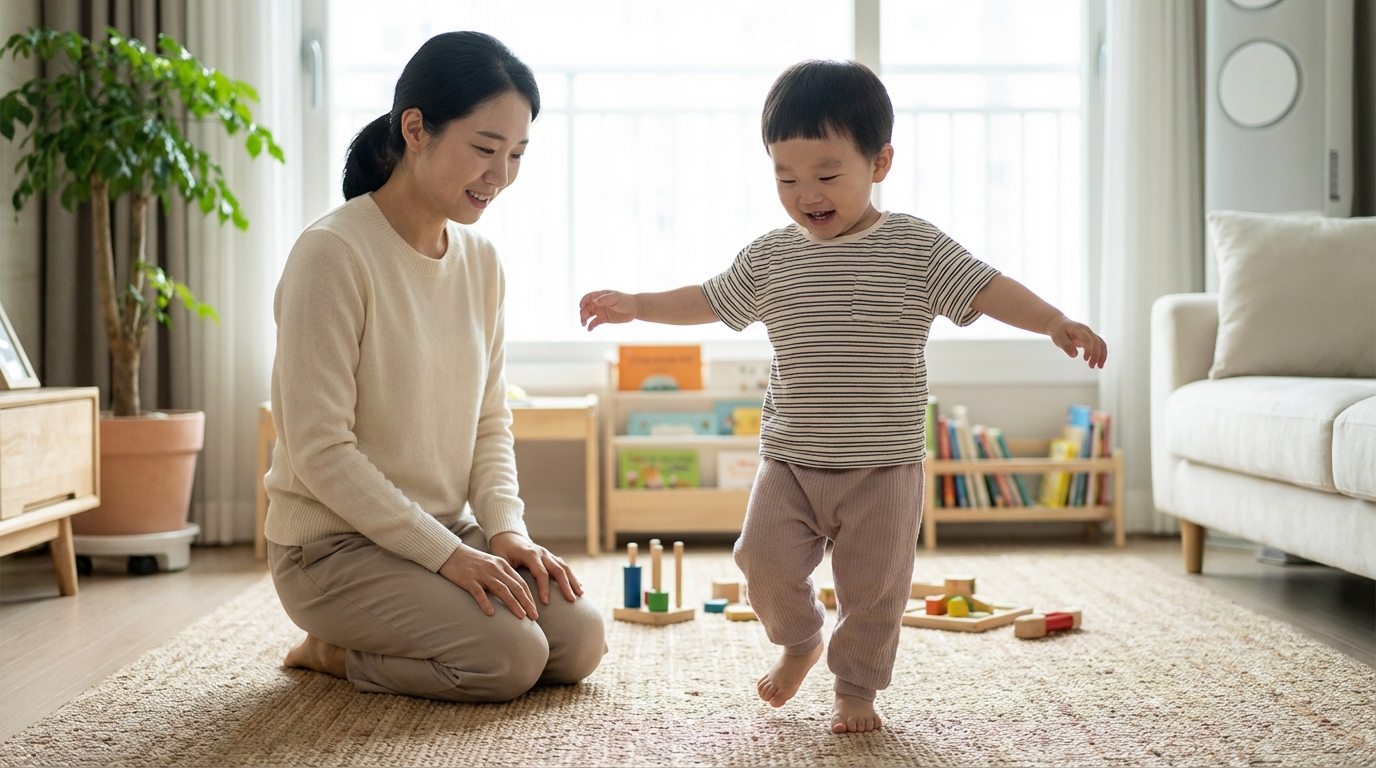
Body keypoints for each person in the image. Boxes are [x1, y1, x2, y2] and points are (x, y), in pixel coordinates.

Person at [578, 60, 1106, 733]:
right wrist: (636, 305)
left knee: (874, 591)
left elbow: (988, 287)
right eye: (785, 178)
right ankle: (801, 640)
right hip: (792, 459)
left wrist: (1055, 321)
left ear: (880, 161)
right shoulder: (771, 257)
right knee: (759, 562)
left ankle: (855, 689)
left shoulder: (916, 246)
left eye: (827, 175)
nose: (807, 194)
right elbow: (707, 299)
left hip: (883, 466)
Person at [266, 31, 605, 703]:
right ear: (415, 129)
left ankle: (452, 588)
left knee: (577, 641)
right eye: (484, 149)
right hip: (333, 550)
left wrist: (506, 533)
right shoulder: (332, 254)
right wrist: (449, 557)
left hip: (444, 530)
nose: (500, 175)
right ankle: (329, 652)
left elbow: (489, 423)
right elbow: (319, 450)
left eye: (516, 154)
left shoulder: (482, 264)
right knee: (507, 659)